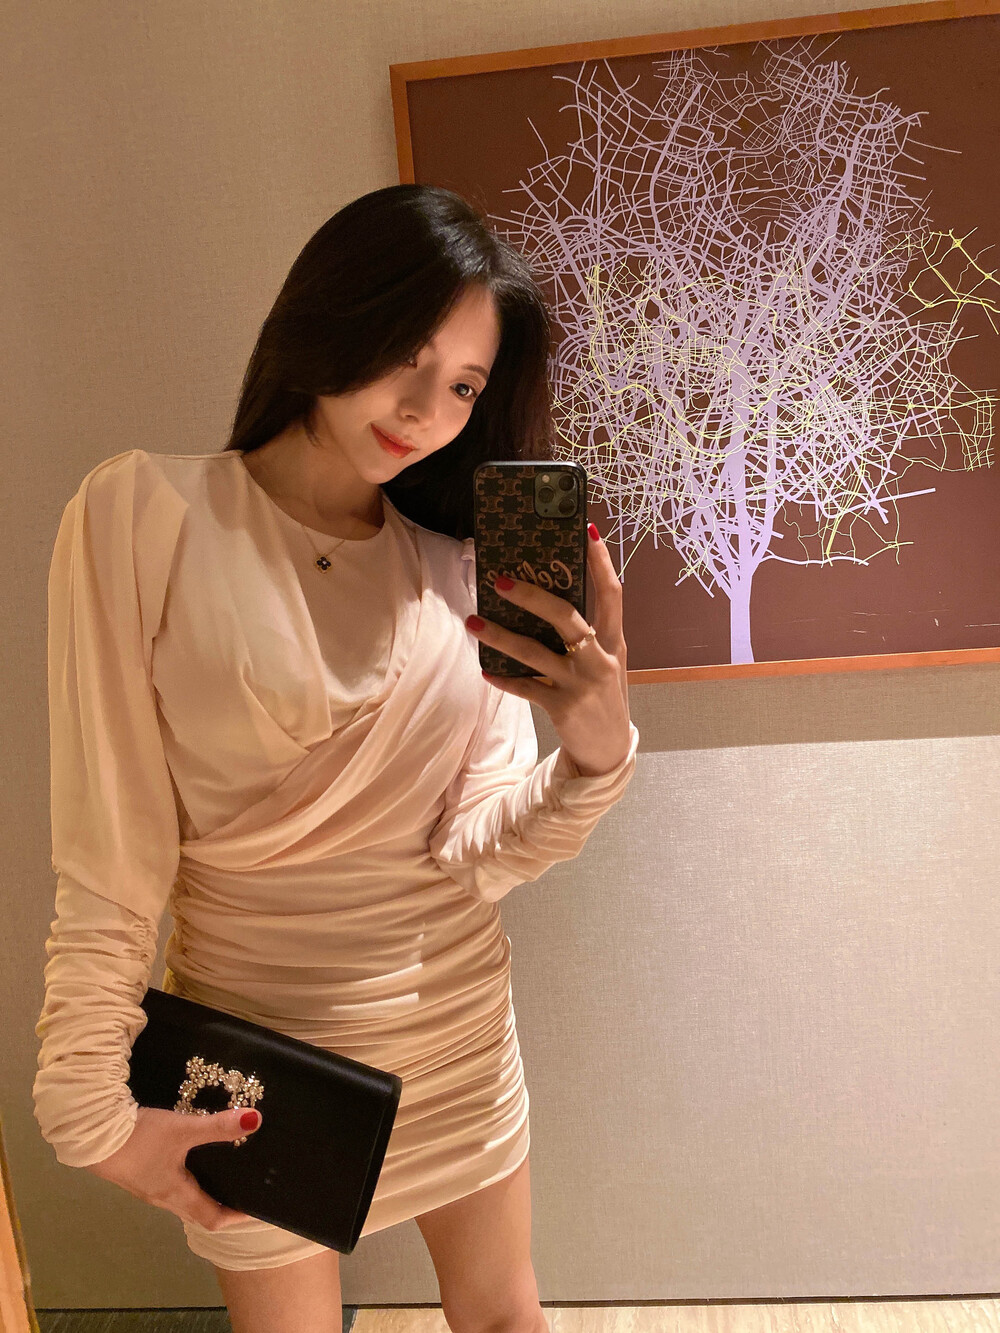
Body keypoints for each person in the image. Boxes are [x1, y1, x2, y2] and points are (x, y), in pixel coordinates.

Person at [33, 183, 640, 1333]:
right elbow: (112, 853)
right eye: (406, 356)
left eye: (463, 386)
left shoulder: (455, 571)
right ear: (332, 315)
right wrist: (86, 1103)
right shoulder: (144, 513)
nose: (424, 408)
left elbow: (480, 856)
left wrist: (593, 758)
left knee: (506, 1318)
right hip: (263, 1062)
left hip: (458, 1035)